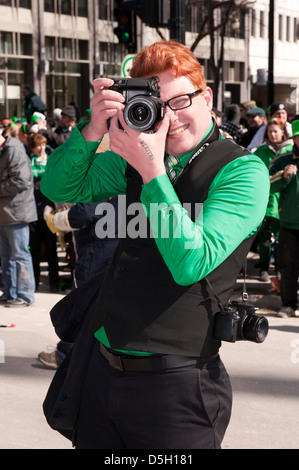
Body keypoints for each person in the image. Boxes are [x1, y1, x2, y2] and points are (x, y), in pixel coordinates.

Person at [41, 40, 269, 449]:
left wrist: (151, 173)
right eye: (157, 104)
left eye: (180, 100)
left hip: (175, 387)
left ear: (208, 97)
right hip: (100, 371)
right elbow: (58, 185)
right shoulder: (138, 155)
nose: (170, 117)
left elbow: (191, 261)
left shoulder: (243, 171)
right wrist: (94, 129)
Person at [37, 197, 120, 369]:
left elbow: (85, 212)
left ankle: (65, 354)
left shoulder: (103, 175)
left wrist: (58, 219)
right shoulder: (130, 175)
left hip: (98, 249)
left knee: (83, 303)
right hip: (118, 246)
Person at [0, 130, 37, 307]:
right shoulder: (5, 150)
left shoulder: (13, 150)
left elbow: (21, 180)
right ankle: (10, 292)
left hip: (16, 212)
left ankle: (25, 294)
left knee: (20, 254)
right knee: (7, 255)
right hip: (5, 213)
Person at [255, 118, 293, 282]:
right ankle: (263, 267)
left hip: (284, 200)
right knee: (264, 234)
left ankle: (279, 268)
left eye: (276, 131)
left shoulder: (291, 151)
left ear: (283, 133)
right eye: (270, 131)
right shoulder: (261, 151)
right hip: (264, 199)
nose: (272, 134)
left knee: (280, 237)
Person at [269, 117, 299, 318]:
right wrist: (284, 176)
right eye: (298, 137)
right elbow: (266, 185)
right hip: (289, 223)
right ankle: (289, 304)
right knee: (288, 266)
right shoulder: (283, 160)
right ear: (293, 138)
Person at [27, 132, 59, 292]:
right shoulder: (28, 160)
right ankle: (35, 282)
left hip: (49, 209)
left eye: (42, 144)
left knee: (51, 248)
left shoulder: (51, 157)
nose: (40, 148)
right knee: (34, 249)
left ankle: (54, 284)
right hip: (33, 210)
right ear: (32, 148)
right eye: (37, 145)